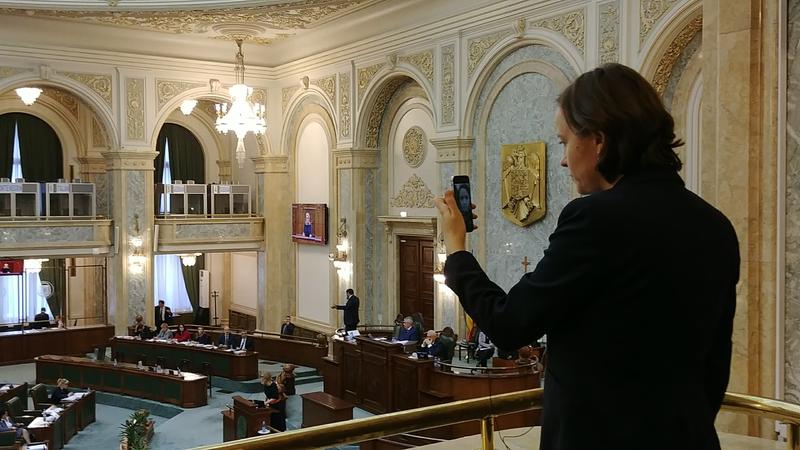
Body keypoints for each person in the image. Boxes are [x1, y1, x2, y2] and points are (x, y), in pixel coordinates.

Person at [434, 63, 739, 450]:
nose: (562, 159)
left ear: (598, 140)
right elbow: (715, 365)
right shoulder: (715, 225)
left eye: (563, 142)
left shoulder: (596, 218)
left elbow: (510, 323)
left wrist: (457, 251)